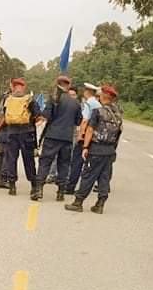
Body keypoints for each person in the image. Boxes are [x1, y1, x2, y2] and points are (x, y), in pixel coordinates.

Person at [65, 85, 123, 214]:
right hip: (109, 150)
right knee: (104, 177)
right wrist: (113, 149)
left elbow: (90, 130)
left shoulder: (98, 111)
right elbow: (119, 133)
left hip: (96, 149)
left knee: (88, 176)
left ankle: (78, 202)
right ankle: (100, 204)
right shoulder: (118, 115)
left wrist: (85, 147)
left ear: (103, 96)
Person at [31, 76, 82, 201]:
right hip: (67, 137)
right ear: (68, 86)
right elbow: (78, 121)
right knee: (64, 164)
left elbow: (46, 115)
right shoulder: (75, 102)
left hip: (52, 135)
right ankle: (60, 192)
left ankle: (39, 190)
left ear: (57, 84)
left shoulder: (53, 99)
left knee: (45, 162)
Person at [0, 78, 43, 196]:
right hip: (27, 133)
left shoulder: (8, 99)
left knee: (11, 159)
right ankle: (33, 185)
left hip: (11, 133)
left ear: (13, 87)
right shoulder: (30, 99)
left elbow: (4, 117)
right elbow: (38, 116)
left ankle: (12, 186)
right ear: (24, 87)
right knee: (28, 160)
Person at [64, 83, 102, 195]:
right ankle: (84, 188)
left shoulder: (89, 103)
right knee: (89, 164)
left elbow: (84, 120)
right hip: (94, 137)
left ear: (87, 92)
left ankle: (70, 187)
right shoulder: (98, 104)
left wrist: (80, 135)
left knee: (76, 162)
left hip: (85, 136)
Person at [0, 85, 11, 188]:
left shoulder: (3, 95)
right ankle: (2, 178)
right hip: (7, 128)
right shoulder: (10, 98)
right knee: (6, 153)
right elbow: (5, 114)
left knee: (1, 152)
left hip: (1, 128)